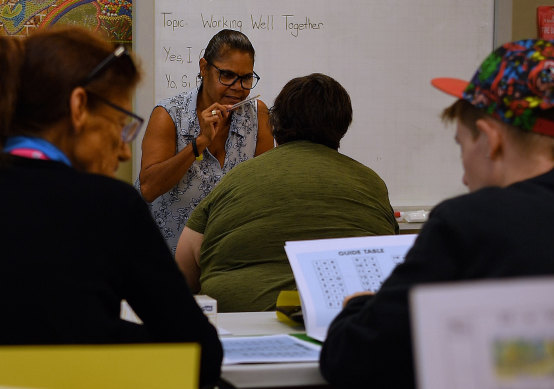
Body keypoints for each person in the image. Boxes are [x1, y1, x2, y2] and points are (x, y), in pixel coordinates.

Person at [319, 38, 554, 389]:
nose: (463, 175)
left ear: (491, 140)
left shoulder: (468, 225)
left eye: (461, 146)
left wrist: (358, 309)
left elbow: (352, 357)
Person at [0, 27, 222, 388]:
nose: (122, 152)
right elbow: (199, 355)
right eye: (121, 126)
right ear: (79, 107)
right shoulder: (109, 206)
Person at [175, 73, 399, 312]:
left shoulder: (235, 179)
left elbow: (183, 269)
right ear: (342, 126)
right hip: (345, 324)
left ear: (274, 123)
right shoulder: (371, 183)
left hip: (242, 324)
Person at [137, 29, 274, 253]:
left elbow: (264, 190)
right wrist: (199, 143)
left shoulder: (257, 116)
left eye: (246, 78)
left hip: (224, 256)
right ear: (204, 68)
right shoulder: (169, 115)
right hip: (165, 255)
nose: (238, 87)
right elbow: (149, 189)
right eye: (227, 75)